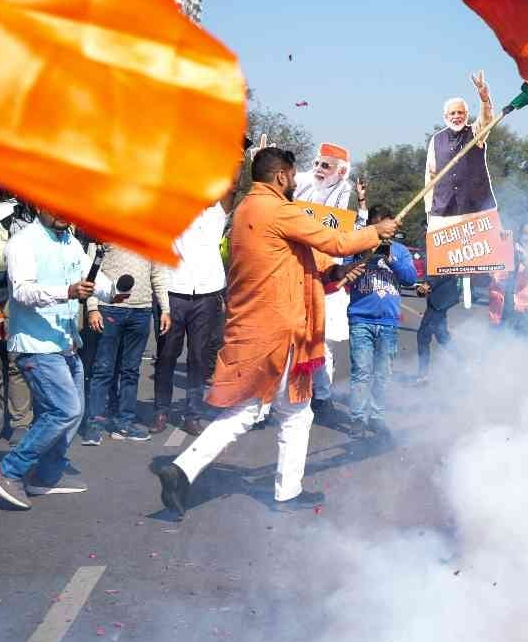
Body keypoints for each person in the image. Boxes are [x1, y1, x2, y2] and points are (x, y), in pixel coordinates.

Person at [151, 147, 398, 518]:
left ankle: (272, 486)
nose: (297, 182)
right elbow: (337, 243)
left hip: (262, 327)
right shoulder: (278, 209)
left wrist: (332, 273)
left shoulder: (247, 210)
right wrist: (375, 232)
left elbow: (293, 259)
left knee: (289, 410)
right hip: (281, 331)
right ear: (281, 176)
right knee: (257, 412)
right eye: (293, 175)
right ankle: (190, 470)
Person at [0, 207, 126, 509]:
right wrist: (68, 291)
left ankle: (45, 475)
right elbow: (22, 291)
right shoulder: (22, 243)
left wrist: (113, 292)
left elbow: (90, 279)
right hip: (36, 346)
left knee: (73, 413)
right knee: (65, 410)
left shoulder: (70, 242)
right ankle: (7, 471)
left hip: (67, 343)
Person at [290, 142, 369, 417]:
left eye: (326, 166)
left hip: (329, 284)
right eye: (317, 164)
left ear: (340, 171)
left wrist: (361, 204)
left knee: (323, 346)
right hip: (296, 281)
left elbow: (356, 232)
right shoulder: (302, 186)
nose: (319, 170)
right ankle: (264, 407)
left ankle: (321, 397)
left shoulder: (344, 197)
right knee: (286, 342)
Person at [150, 188, 232, 437]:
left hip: (206, 295)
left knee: (198, 356)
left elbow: (232, 186)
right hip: (173, 292)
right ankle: (161, 411)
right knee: (167, 355)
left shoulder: (217, 214)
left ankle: (192, 414)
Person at [343, 205, 419, 439]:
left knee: (383, 374)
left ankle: (376, 416)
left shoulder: (401, 250)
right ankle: (357, 418)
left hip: (388, 322)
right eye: (376, 225)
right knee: (361, 372)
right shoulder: (357, 244)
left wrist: (390, 258)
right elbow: (344, 273)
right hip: (360, 319)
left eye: (386, 225)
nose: (383, 230)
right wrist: (364, 254)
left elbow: (410, 279)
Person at [82, 244, 171, 443]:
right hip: (109, 309)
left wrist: (165, 309)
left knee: (131, 371)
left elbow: (158, 274)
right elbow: (90, 272)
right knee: (103, 370)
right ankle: (94, 425)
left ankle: (124, 424)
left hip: (141, 310)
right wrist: (92, 308)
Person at [0, 199, 38, 439]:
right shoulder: (8, 223)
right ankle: (21, 421)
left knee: (55, 364)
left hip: (55, 307)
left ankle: (50, 416)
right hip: (17, 307)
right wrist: (17, 246)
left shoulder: (62, 223)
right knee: (18, 364)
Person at [423, 71, 496, 231]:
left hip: (476, 211)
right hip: (443, 214)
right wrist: (429, 209)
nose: (457, 116)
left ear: (467, 115)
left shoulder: (476, 133)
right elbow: (431, 176)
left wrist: (484, 99)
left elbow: (487, 120)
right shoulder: (436, 139)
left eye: (460, 112)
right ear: (445, 117)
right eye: (453, 113)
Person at [489, 222, 528, 336]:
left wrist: (525, 259)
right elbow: (495, 276)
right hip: (504, 311)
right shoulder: (507, 250)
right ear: (520, 234)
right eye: (526, 234)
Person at [414, 275, 460, 384]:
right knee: (442, 336)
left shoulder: (440, 259)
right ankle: (463, 364)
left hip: (440, 297)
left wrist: (429, 283)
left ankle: (423, 374)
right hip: (440, 297)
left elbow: (443, 268)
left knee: (423, 337)